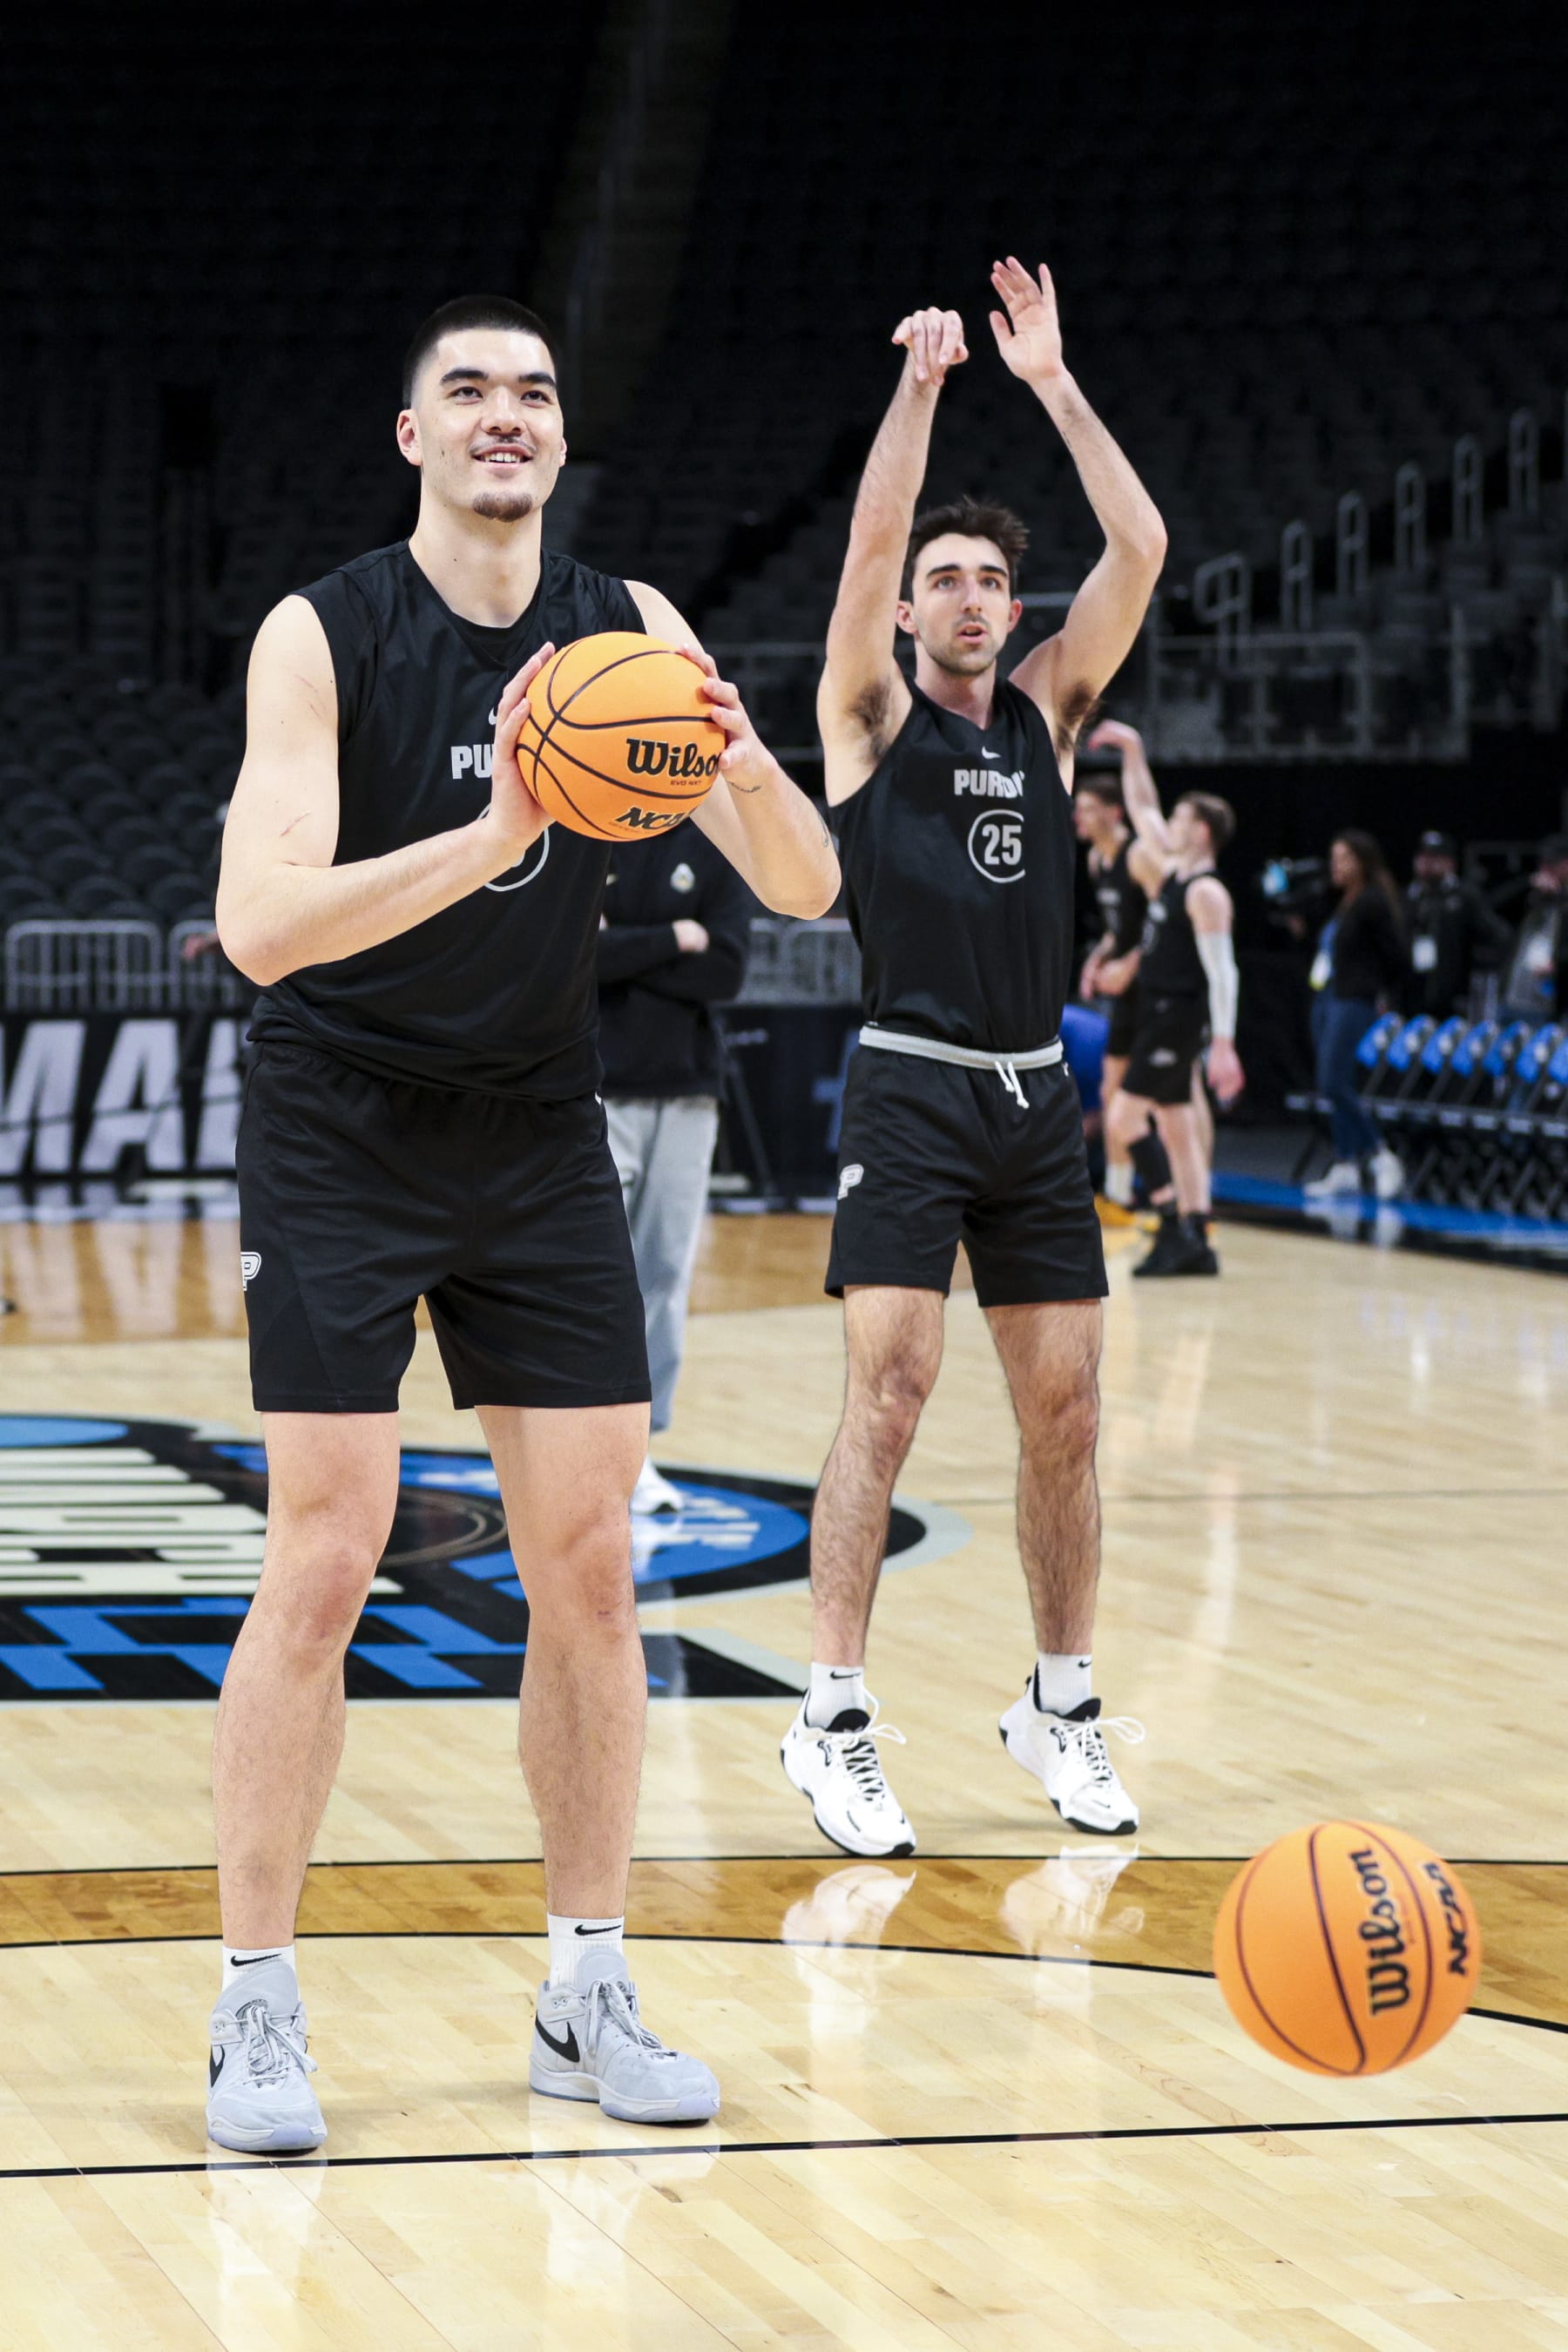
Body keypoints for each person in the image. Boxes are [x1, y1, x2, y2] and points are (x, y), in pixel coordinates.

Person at [209, 294, 839, 2153]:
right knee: (329, 1553)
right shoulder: (324, 632)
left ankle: (587, 1984)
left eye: (535, 395)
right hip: (339, 1115)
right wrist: (494, 836)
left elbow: (801, 882)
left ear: (561, 445)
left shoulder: (632, 632)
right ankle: (255, 2005)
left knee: (591, 1569)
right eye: (468, 392)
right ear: (413, 437)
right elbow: (258, 925)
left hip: (536, 1126)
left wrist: (735, 753)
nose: (507, 416)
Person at [781, 258, 1166, 1858]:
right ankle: (833, 1718)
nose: (960, 597)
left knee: (1065, 1407)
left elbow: (1137, 548)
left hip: (1033, 1096)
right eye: (940, 576)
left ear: (1011, 610)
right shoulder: (869, 716)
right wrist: (924, 393)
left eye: (984, 583)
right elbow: (870, 544)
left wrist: (1056, 381)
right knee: (892, 1387)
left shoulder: (1048, 714)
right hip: (910, 1078)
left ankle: (1059, 1708)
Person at [598, 826, 754, 1513]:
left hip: (688, 1092)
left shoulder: (717, 847)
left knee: (663, 1271)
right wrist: (675, 937)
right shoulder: (586, 834)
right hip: (596, 1088)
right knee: (594, 1274)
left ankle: (639, 1455)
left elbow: (727, 970)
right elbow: (575, 958)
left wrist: (625, 946)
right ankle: (575, 1445)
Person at [1094, 723, 1244, 1277]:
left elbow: (1223, 972)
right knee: (1176, 1127)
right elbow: (1142, 804)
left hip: (1178, 1018)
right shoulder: (1174, 875)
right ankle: (1197, 1236)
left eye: (1180, 820)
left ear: (1201, 831)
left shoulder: (1207, 893)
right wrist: (1134, 747)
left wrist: (1223, 1044)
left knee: (1124, 1118)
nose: (1165, 825)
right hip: (1159, 1012)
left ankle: (1165, 1216)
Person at [1301, 829, 1408, 1200]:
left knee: (1335, 1081)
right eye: (1334, 858)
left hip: (1353, 1000)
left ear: (1361, 862)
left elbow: (1397, 956)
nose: (1336, 866)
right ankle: (1346, 1163)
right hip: (1327, 997)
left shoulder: (1374, 902)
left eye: (1343, 858)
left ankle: (1380, 1155)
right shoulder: (1344, 901)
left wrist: (1382, 992)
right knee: (1327, 1082)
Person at [1073, 772, 1147, 1220]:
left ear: (1113, 812)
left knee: (1177, 1099)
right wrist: (1097, 960)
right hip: (1126, 991)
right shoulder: (1097, 862)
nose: (1077, 815)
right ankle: (1120, 1194)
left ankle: (1192, 1203)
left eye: (1086, 808)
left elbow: (1165, 925)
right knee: (1112, 1089)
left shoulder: (1139, 856)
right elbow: (1118, 932)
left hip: (1162, 987)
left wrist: (1129, 966)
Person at [1404, 829, 1510, 1018]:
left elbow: (1497, 935)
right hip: (1413, 996)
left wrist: (1476, 966)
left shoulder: (1464, 896)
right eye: (1423, 856)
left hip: (1456, 998)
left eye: (1435, 857)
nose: (1428, 863)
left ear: (1450, 862)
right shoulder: (1410, 897)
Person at [1500, 833, 1568, 1023]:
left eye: (1553, 864)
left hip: (1551, 1004)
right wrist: (1528, 885)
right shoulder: (1532, 896)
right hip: (1512, 1000)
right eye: (1543, 863)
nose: (1546, 870)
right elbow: (1492, 906)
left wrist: (1559, 963)